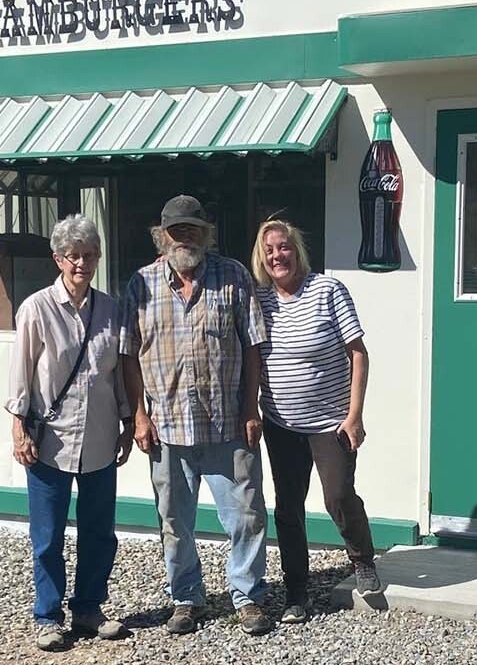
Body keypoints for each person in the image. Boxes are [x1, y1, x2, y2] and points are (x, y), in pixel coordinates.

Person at [120, 195, 275, 637]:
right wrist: (138, 416)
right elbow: (129, 355)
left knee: (246, 515)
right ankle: (186, 598)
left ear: (206, 233)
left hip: (227, 422)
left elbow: (252, 346)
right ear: (161, 236)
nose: (184, 237)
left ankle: (247, 595)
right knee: (173, 521)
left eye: (192, 228)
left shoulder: (233, 276)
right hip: (166, 426)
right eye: (176, 230)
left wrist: (251, 409)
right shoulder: (141, 284)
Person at [5, 214, 133, 652]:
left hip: (98, 436)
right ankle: (48, 616)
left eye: (89, 255)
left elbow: (115, 374)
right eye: (73, 256)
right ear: (58, 259)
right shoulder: (37, 309)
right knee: (48, 535)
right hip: (50, 441)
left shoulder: (110, 308)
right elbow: (20, 377)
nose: (82, 263)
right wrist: (19, 430)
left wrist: (127, 422)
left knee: (100, 531)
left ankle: (89, 608)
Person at [250, 219, 382, 624]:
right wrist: (251, 409)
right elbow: (254, 357)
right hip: (280, 423)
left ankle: (361, 558)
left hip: (330, 422)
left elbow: (358, 353)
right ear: (262, 257)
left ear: (297, 250)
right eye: (269, 250)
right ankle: (296, 592)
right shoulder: (260, 299)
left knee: (338, 495)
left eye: (284, 247)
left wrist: (354, 416)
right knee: (288, 508)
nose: (278, 255)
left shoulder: (327, 290)